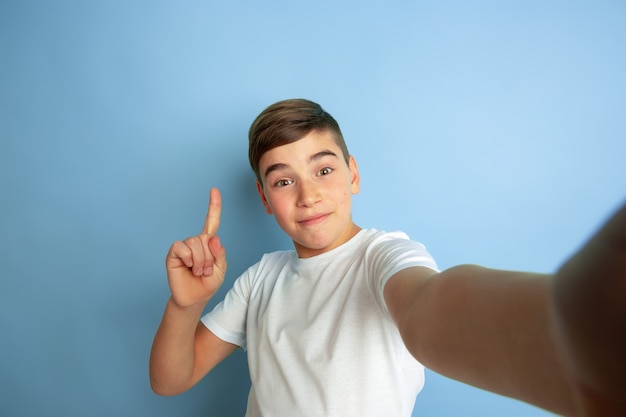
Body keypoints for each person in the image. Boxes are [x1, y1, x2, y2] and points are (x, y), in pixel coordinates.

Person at [150, 98, 626, 416]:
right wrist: (185, 305)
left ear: (353, 173)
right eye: (283, 180)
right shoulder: (260, 280)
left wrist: (562, 332)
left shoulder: (384, 255)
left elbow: (429, 308)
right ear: (263, 197)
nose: (309, 194)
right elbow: (172, 380)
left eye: (324, 169)